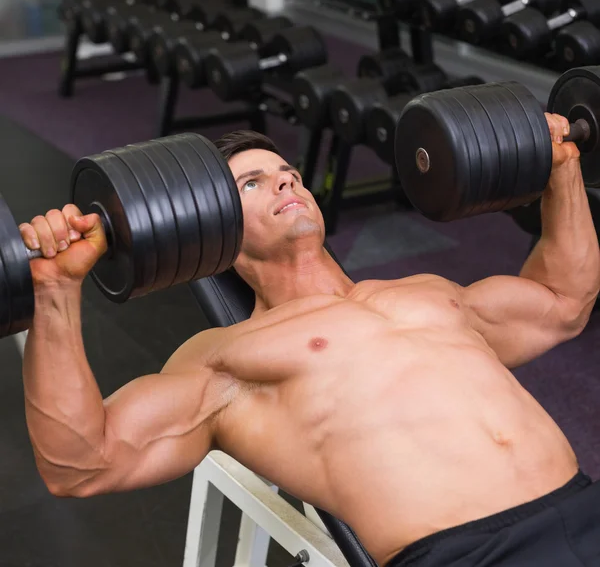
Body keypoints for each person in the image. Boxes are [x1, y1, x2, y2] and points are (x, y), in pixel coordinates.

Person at [19, 114, 600, 567]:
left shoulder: (428, 290)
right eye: (253, 182)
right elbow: (80, 463)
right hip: (470, 555)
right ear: (209, 218)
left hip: (583, 504)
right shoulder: (229, 359)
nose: (285, 184)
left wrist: (563, 169)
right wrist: (55, 288)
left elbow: (562, 302)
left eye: (288, 175)